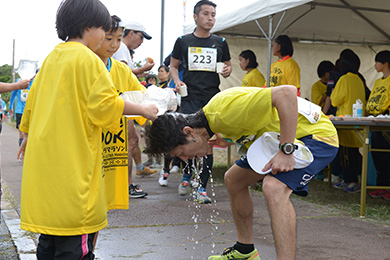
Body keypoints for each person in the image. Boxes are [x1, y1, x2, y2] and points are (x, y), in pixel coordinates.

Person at [17, 1, 157, 259]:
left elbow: (32, 104)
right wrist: (143, 110)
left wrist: (25, 136)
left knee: (49, 239)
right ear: (89, 27)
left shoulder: (52, 57)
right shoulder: (88, 59)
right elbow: (103, 105)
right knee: (76, 243)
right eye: (104, 31)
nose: (106, 38)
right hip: (73, 169)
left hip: (46, 168)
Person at [144, 86, 339, 260]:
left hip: (317, 136)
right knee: (233, 179)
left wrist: (286, 149)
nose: (185, 159)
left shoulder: (225, 111)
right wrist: (228, 138)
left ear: (189, 132)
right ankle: (245, 250)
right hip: (278, 139)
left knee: (274, 188)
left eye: (180, 153)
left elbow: (286, 93)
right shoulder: (214, 123)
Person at [170, 0, 232, 203]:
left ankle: (202, 188)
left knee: (208, 143)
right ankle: (187, 174)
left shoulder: (220, 42)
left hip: (212, 99)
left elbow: (228, 66)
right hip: (189, 98)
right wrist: (178, 80)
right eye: (206, 14)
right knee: (189, 138)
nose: (210, 18)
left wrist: (227, 70)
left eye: (213, 14)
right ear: (195, 17)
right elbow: (173, 66)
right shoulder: (183, 40)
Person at [112, 20, 157, 198]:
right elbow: (124, 73)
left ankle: (129, 181)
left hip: (120, 101)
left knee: (131, 141)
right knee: (128, 143)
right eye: (141, 37)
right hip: (121, 101)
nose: (141, 42)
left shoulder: (122, 49)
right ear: (130, 33)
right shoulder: (122, 47)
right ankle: (127, 185)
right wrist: (142, 69)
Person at [331, 51, 366, 192]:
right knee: (353, 153)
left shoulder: (344, 79)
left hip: (345, 121)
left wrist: (334, 91)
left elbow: (334, 101)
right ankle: (352, 180)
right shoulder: (359, 79)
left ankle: (350, 181)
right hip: (357, 121)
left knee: (345, 154)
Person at [366, 50, 390, 200]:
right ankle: (381, 186)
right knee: (377, 154)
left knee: (387, 155)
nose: (375, 65)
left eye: (377, 61)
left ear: (385, 63)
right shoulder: (377, 82)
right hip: (375, 121)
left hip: (387, 122)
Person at [9, 75, 37, 147]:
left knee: (29, 133)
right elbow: (13, 94)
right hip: (20, 110)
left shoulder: (35, 82)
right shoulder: (19, 81)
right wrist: (10, 106)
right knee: (21, 132)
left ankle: (26, 151)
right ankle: (22, 154)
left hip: (30, 111)